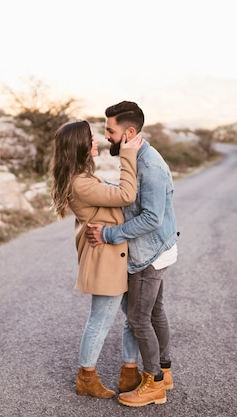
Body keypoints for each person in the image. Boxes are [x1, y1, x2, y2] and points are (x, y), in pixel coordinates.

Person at [86, 101, 179, 407]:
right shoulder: (138, 156)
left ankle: (152, 383)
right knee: (154, 313)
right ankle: (164, 372)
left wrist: (109, 234)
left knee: (139, 318)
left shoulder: (148, 164)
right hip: (160, 248)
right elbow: (132, 198)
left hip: (149, 254)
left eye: (110, 130)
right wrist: (102, 188)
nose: (106, 136)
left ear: (128, 131)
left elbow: (151, 217)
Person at [49, 119, 144, 399]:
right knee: (101, 320)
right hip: (106, 260)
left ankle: (130, 372)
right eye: (90, 138)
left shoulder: (84, 178)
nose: (96, 142)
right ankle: (86, 377)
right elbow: (127, 195)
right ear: (79, 146)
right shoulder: (81, 183)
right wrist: (128, 156)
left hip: (115, 255)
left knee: (133, 317)